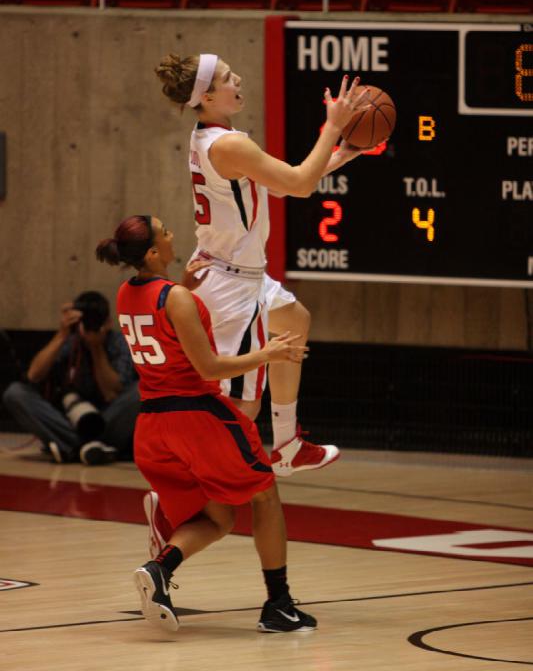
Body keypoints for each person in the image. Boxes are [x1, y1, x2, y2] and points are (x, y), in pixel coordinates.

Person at [96, 213, 317, 633]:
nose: (173, 233)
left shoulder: (126, 293)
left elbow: (159, 308)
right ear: (153, 251)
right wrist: (267, 354)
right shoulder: (177, 298)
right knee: (264, 496)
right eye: (165, 231)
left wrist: (181, 284)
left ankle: (159, 569)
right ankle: (279, 605)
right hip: (197, 418)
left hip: (152, 427)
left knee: (220, 520)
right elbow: (210, 367)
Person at [154, 53, 367, 479]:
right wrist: (334, 125)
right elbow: (301, 184)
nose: (239, 78)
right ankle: (176, 492)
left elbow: (288, 180)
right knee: (243, 406)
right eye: (229, 77)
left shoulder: (212, 136)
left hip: (230, 267)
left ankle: (287, 444)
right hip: (232, 283)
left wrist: (343, 153)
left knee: (293, 320)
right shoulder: (230, 145)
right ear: (209, 95)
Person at [2, 291, 139, 465]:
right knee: (15, 393)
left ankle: (71, 447)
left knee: (141, 390)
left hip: (109, 420)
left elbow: (111, 393)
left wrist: (96, 349)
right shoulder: (71, 340)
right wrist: (61, 334)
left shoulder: (118, 342)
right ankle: (90, 449)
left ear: (109, 322)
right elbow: (34, 375)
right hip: (71, 420)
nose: (90, 326)